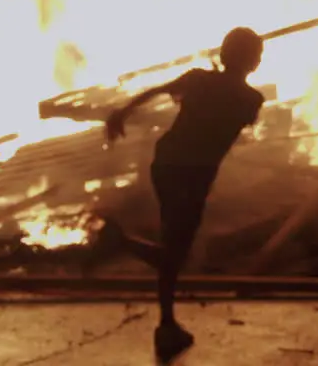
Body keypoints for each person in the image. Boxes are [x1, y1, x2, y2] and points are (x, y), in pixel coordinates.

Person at [103, 26, 266, 363]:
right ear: (252, 62)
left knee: (174, 250)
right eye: (258, 55)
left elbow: (155, 91)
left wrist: (121, 112)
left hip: (166, 165)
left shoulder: (198, 80)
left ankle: (167, 323)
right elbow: (234, 128)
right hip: (192, 178)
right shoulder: (252, 100)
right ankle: (121, 247)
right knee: (175, 253)